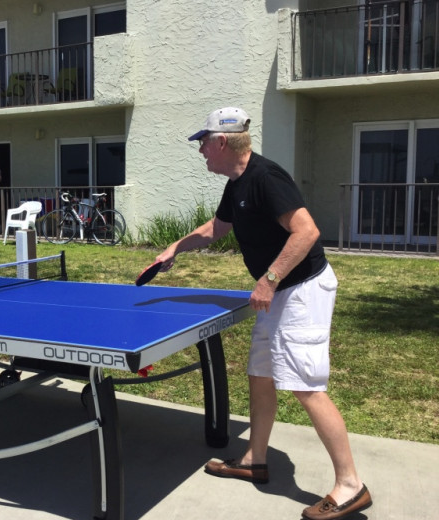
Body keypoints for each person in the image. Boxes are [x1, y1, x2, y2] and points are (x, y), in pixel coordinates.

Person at [154, 108, 371, 520]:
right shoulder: (237, 182)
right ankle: (255, 458)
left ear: (221, 142)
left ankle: (350, 485)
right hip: (280, 293)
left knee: (305, 385)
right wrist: (174, 248)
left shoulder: (266, 178)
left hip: (301, 290)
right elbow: (216, 229)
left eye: (203, 143)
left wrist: (268, 279)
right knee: (261, 373)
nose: (200, 150)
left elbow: (306, 232)